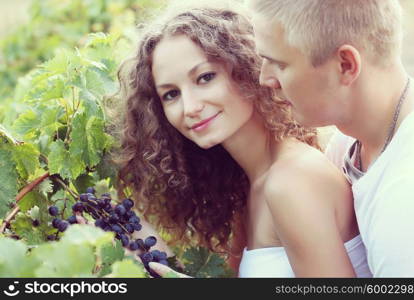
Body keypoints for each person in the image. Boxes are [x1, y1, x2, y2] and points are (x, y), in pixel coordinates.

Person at [112, 0, 371, 277]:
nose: (190, 107)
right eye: (171, 94)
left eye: (205, 77)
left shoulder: (291, 181)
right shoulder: (252, 185)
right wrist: (133, 237)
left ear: (247, 68)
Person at [248, 0, 414, 277]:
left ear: (346, 65)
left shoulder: (407, 200)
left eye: (278, 64)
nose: (265, 78)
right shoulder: (348, 142)